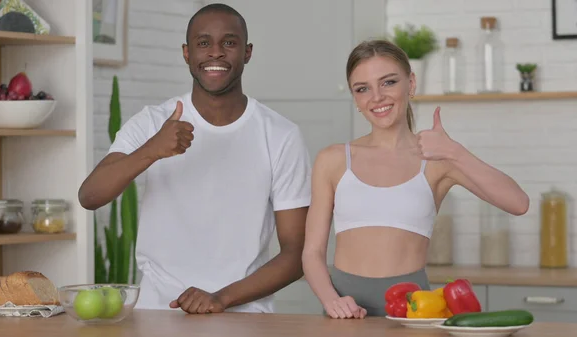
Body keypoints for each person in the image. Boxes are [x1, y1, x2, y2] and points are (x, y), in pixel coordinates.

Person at [78, 3, 312, 314]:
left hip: (245, 316)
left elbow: (297, 255)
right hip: (158, 313)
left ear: (248, 52)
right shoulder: (152, 122)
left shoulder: (281, 135)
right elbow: (90, 196)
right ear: (187, 53)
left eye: (229, 42)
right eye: (204, 43)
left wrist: (221, 298)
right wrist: (152, 149)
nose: (215, 52)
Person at [301, 39, 529, 319]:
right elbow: (311, 252)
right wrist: (331, 301)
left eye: (388, 83)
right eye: (363, 89)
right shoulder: (333, 159)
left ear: (411, 83)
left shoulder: (438, 159)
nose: (377, 97)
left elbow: (518, 203)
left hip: (415, 310)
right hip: (345, 310)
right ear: (355, 98)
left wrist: (455, 151)